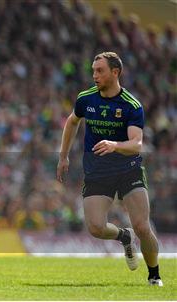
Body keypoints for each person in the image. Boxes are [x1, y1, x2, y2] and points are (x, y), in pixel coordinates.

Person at [57, 52, 163, 286]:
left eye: (100, 71)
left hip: (128, 169)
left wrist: (115, 145)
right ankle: (123, 236)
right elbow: (72, 121)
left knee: (142, 226)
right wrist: (63, 156)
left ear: (115, 72)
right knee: (95, 227)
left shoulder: (131, 105)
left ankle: (154, 274)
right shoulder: (86, 99)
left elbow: (137, 144)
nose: (95, 75)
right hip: (98, 171)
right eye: (94, 70)